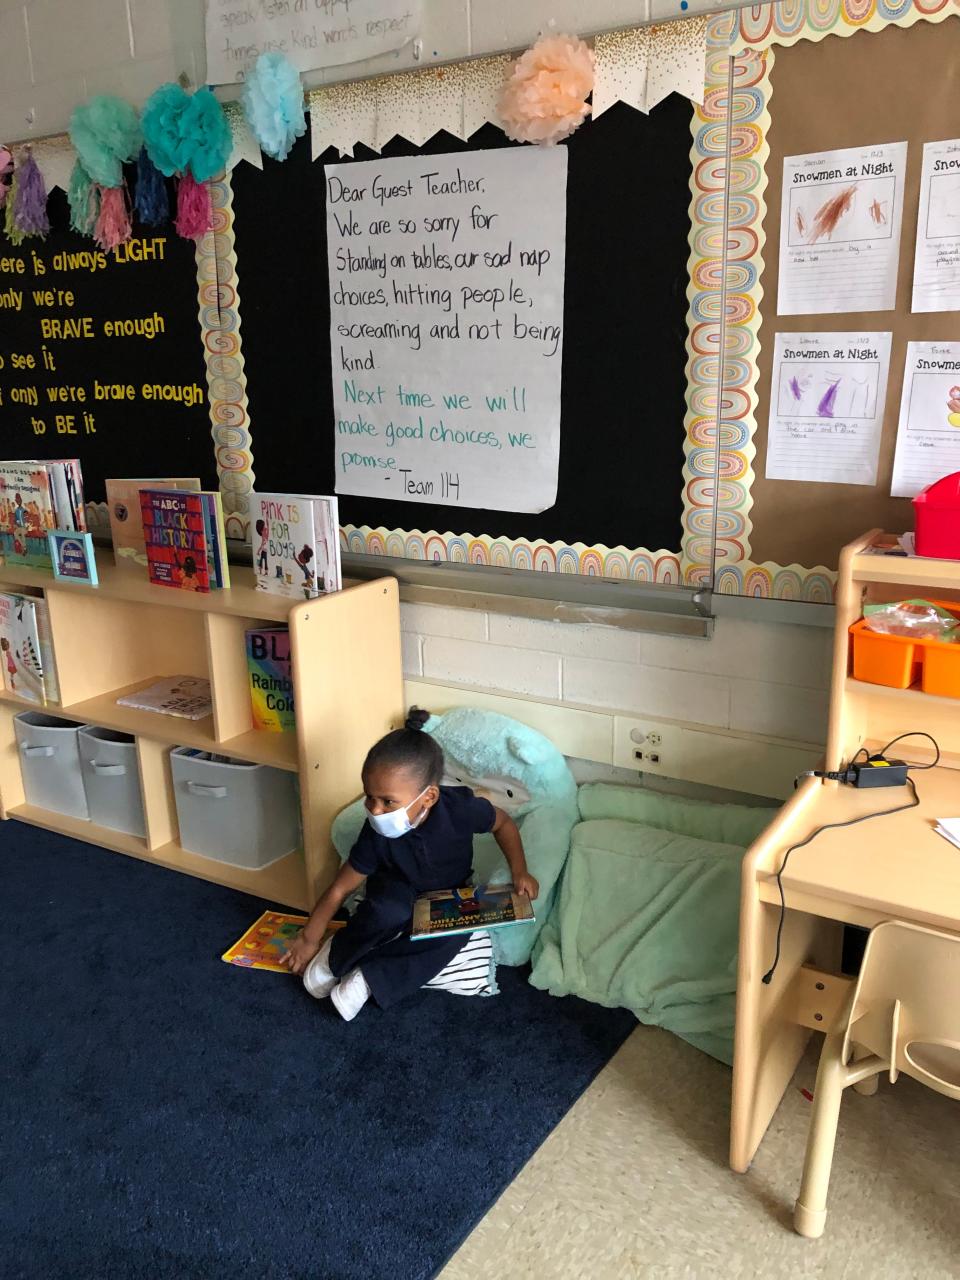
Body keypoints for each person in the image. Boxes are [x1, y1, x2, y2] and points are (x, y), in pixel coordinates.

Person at [282, 708, 539, 1021]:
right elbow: (340, 889)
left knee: (454, 936)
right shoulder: (375, 830)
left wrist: (520, 870)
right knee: (387, 911)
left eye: (387, 801)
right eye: (369, 797)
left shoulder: (460, 807)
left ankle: (369, 978)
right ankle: (336, 955)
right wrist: (309, 938)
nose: (375, 810)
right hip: (396, 891)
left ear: (429, 797)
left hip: (449, 895)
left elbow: (504, 824)